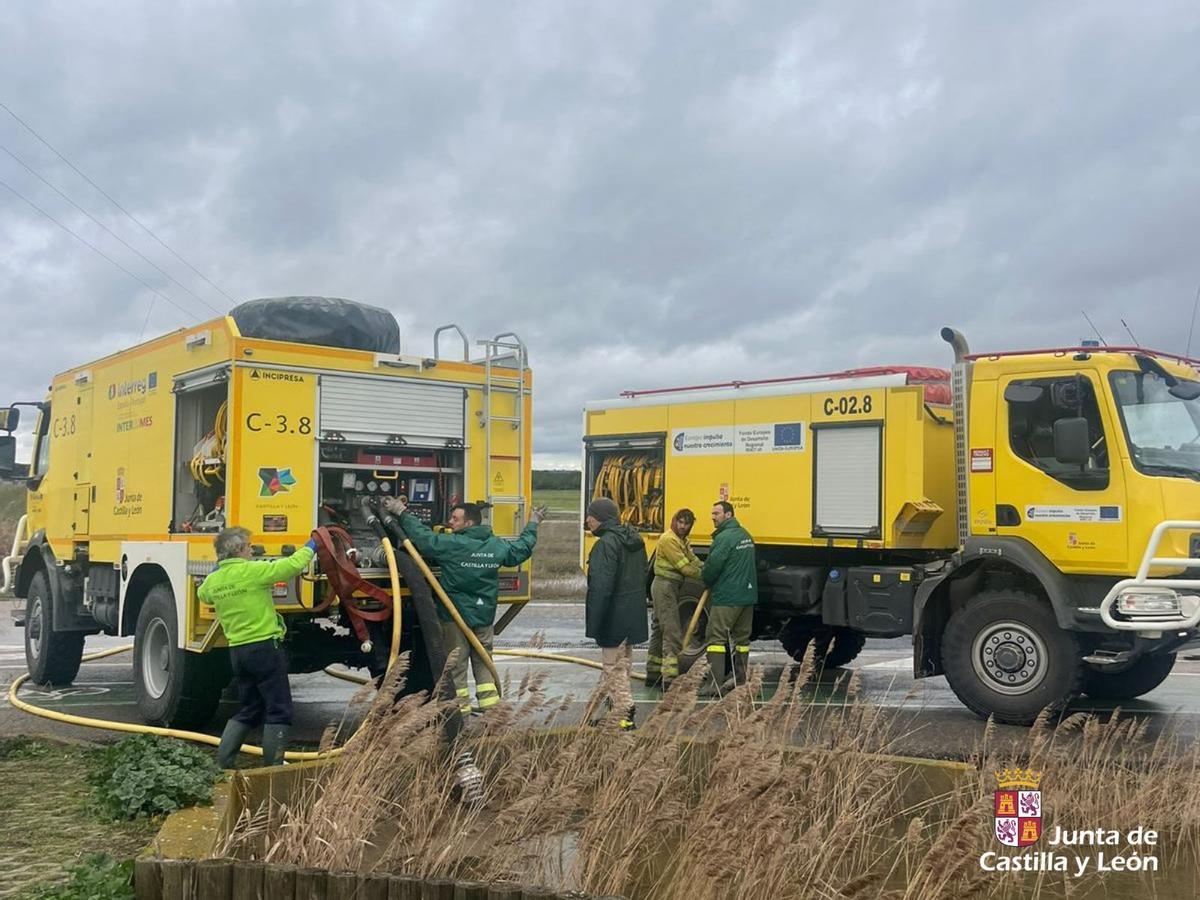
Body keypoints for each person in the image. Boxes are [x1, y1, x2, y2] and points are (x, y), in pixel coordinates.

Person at [385, 496, 545, 716]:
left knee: (456, 665)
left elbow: (422, 538)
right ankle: (492, 715)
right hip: (484, 615)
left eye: (455, 518)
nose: (451, 522)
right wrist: (533, 523)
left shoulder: (453, 544)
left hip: (454, 617)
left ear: (469, 523)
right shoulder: (496, 545)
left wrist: (401, 512)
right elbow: (521, 548)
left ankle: (459, 716)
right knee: (483, 664)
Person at [202, 526, 317, 769]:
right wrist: (311, 546)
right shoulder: (252, 571)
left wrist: (217, 570)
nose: (252, 550)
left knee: (251, 707)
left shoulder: (214, 581)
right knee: (279, 708)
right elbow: (291, 566)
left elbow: (203, 595)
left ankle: (224, 762)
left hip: (238, 653)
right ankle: (273, 767)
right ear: (239, 550)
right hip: (264, 648)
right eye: (249, 547)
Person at [584, 496, 649, 729]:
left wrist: (595, 621)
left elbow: (601, 587)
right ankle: (609, 713)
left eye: (590, 515)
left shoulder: (605, 545)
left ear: (601, 518)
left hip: (613, 615)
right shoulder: (634, 540)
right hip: (632, 613)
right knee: (623, 665)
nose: (587, 520)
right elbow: (644, 573)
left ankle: (624, 713)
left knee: (613, 667)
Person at [700, 501, 758, 694]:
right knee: (742, 640)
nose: (713, 517)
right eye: (712, 513)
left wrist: (705, 578)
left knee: (715, 638)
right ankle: (740, 682)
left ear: (728, 515)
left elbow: (712, 567)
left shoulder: (724, 538)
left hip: (727, 597)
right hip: (747, 596)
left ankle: (714, 685)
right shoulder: (746, 535)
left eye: (716, 513)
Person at [647, 508, 702, 688]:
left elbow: (693, 560)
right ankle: (670, 680)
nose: (683, 526)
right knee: (672, 632)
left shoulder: (682, 541)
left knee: (658, 629)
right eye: (680, 522)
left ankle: (653, 672)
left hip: (668, 587)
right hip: (665, 586)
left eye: (687, 523)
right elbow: (685, 568)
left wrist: (704, 566)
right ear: (674, 521)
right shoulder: (669, 540)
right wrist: (706, 575)